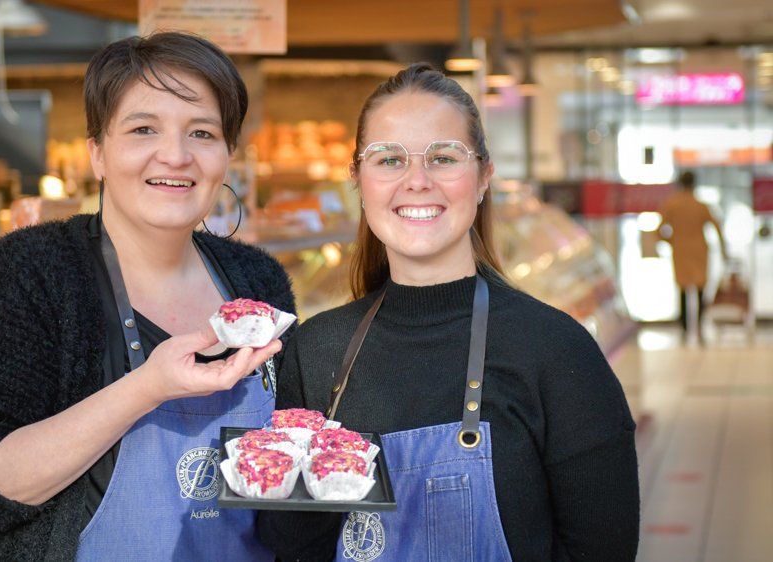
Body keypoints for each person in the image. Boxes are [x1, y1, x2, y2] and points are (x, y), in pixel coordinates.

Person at [0, 32, 294, 561]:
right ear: (97, 153)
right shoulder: (31, 272)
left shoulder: (257, 280)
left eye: (202, 132)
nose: (175, 155)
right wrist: (147, 387)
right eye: (143, 129)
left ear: (227, 155)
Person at [257, 63, 639, 561]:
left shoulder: (555, 351)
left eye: (443, 157)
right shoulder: (314, 352)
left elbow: (601, 550)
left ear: (483, 177)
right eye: (389, 159)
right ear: (357, 178)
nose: (417, 181)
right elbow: (290, 547)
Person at [658, 170, 727, 339]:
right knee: (700, 288)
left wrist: (671, 241)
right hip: (699, 251)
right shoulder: (700, 205)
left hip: (680, 250)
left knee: (682, 288)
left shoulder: (672, 204)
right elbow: (717, 227)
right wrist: (724, 249)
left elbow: (659, 230)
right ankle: (699, 324)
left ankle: (684, 327)